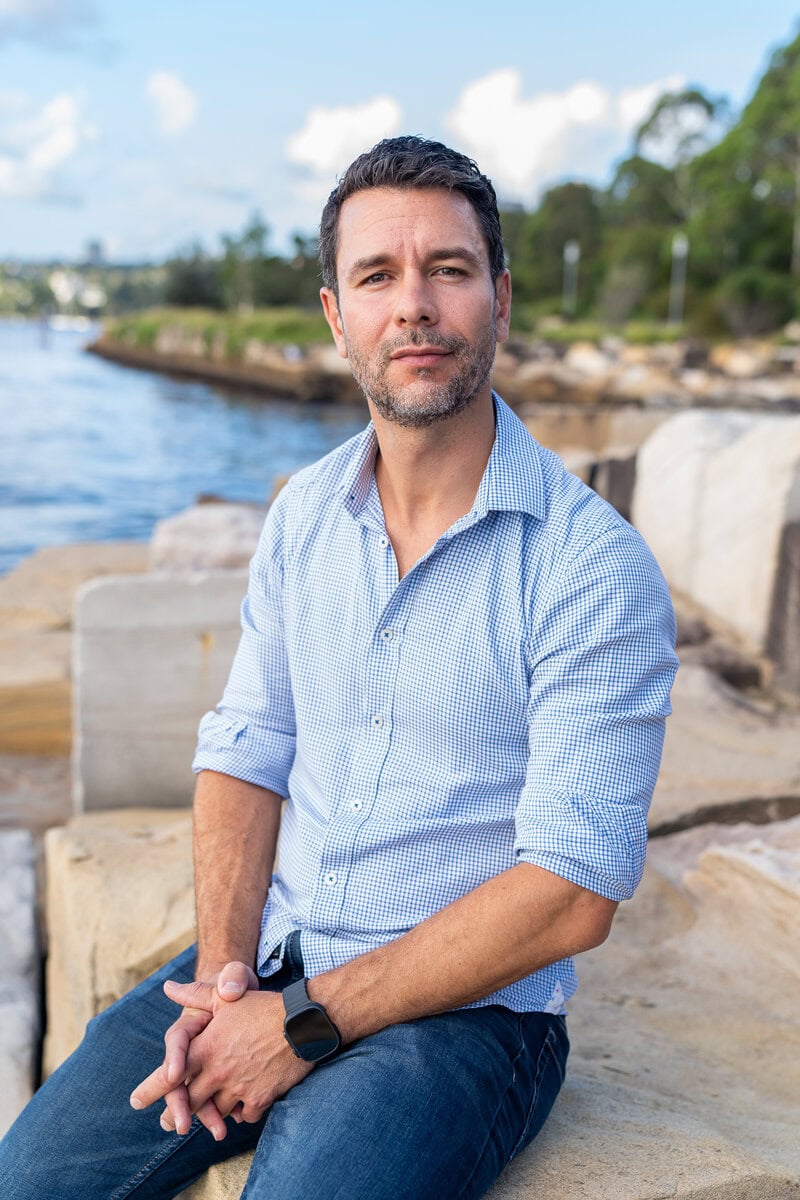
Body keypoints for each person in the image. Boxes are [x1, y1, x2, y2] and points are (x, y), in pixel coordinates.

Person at [0, 136, 677, 1200]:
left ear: (498, 298)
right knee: (28, 1181)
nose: (413, 305)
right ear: (334, 315)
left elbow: (568, 892)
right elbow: (246, 749)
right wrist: (226, 987)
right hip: (265, 962)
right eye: (377, 275)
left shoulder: (589, 567)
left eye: (446, 270)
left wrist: (305, 1026)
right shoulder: (305, 515)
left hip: (463, 1024)